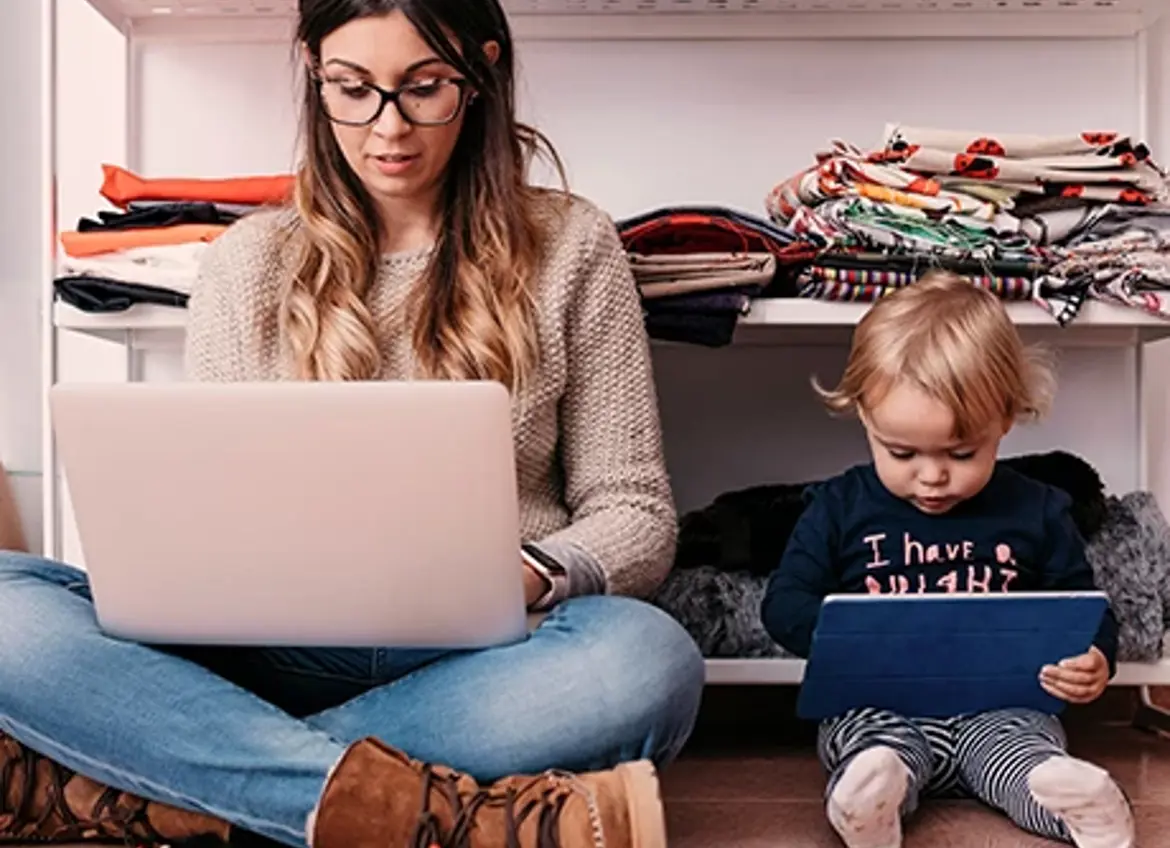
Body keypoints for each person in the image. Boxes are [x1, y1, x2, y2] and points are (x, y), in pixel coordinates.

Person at [0, 1, 706, 845]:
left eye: (424, 89)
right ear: (313, 72)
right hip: (269, 659)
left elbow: (636, 511)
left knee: (646, 660)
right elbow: (212, 511)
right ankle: (410, 811)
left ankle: (194, 797)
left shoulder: (568, 243)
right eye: (353, 89)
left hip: (489, 660)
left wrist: (521, 575)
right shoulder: (246, 264)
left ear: (479, 74)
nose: (388, 127)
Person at [761, 271, 1135, 848]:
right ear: (865, 415)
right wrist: (842, 638)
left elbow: (1082, 603)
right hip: (879, 702)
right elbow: (783, 603)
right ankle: (872, 805)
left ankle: (1077, 805)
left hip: (999, 705)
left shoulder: (1036, 508)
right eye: (902, 452)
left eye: (963, 452)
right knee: (868, 746)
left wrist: (1093, 656)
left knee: (1022, 751)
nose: (933, 477)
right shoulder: (840, 505)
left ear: (1005, 419)